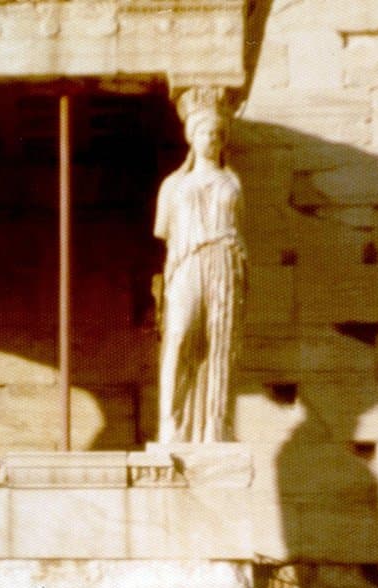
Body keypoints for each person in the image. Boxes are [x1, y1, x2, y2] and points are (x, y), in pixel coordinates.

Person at [154, 92, 246, 443]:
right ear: (191, 135)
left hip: (225, 259)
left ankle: (214, 427)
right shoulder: (174, 185)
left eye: (218, 133)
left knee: (218, 342)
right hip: (187, 261)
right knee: (178, 335)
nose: (213, 138)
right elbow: (163, 230)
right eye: (206, 132)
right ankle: (170, 423)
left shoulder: (232, 182)